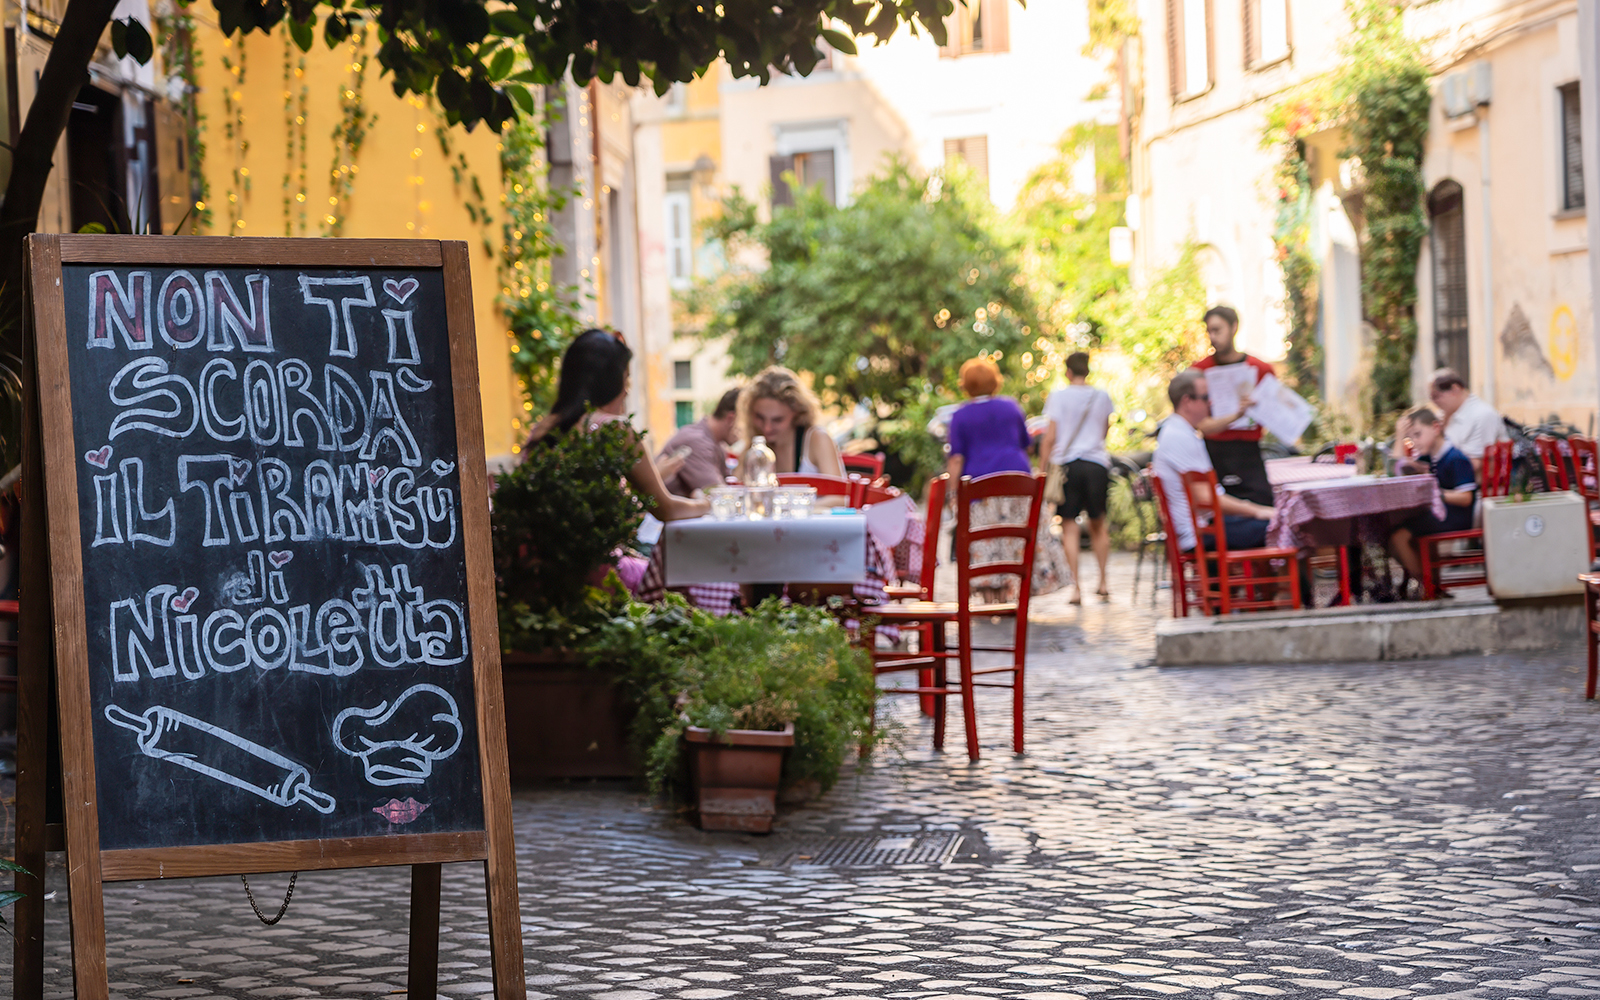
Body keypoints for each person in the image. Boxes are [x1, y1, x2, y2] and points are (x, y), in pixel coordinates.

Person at [524, 328, 709, 522]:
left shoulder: (543, 429)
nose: (627, 391)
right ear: (613, 382)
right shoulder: (615, 429)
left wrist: (656, 476)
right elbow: (667, 510)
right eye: (627, 379)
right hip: (598, 552)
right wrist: (706, 504)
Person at [946, 357, 1069, 601]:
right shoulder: (1011, 407)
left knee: (985, 541)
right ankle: (1011, 595)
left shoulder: (961, 415)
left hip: (979, 487)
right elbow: (1026, 445)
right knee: (1015, 539)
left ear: (966, 386)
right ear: (995, 382)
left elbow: (956, 458)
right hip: (1017, 482)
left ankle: (992, 599)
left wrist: (952, 492)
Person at [1154, 369, 1275, 554]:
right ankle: (1303, 584)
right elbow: (1207, 498)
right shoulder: (1179, 436)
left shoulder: (1180, 431)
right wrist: (1256, 510)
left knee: (1274, 521)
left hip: (1202, 528)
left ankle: (1278, 583)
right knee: (1283, 525)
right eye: (1205, 397)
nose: (1211, 402)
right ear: (1187, 401)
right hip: (1200, 534)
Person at [1038, 352, 1115, 604]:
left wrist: (1042, 468)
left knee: (1069, 527)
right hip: (1096, 465)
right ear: (1088, 370)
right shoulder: (1102, 396)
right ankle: (1103, 582)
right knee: (1098, 524)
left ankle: (1076, 589)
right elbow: (1104, 431)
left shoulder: (1058, 396)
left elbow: (1050, 437)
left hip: (1068, 465)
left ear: (1067, 371)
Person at [1193, 306, 1275, 507]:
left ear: (1234, 327)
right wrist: (1236, 414)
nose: (1213, 336)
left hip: (1249, 453)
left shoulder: (1261, 369)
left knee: (1263, 506)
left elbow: (1277, 415)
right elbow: (1199, 424)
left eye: (1217, 330)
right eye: (1209, 331)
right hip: (1215, 452)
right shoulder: (1198, 371)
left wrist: (1260, 407)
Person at [1388, 405, 1477, 585]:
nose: (1414, 441)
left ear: (1436, 428)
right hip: (1439, 514)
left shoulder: (1455, 458)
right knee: (1392, 534)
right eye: (1409, 437)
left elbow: (1466, 498)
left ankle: (1427, 585)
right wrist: (1399, 436)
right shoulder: (1429, 458)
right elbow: (1394, 471)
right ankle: (1430, 584)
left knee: (1398, 538)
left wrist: (1435, 494)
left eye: (1417, 434)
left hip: (1455, 517)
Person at [739, 366, 845, 478]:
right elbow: (737, 485)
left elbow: (838, 494)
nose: (767, 428)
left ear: (797, 413)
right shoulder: (755, 445)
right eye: (759, 417)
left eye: (777, 420)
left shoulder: (817, 439)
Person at [657, 387, 741, 496]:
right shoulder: (696, 441)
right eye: (746, 425)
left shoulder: (717, 444)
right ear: (731, 419)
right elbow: (719, 496)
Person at [1429, 368, 1508, 477]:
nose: (1434, 402)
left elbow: (1475, 464)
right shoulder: (1443, 415)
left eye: (1436, 396)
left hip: (1475, 486)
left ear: (1455, 390)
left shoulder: (1482, 415)